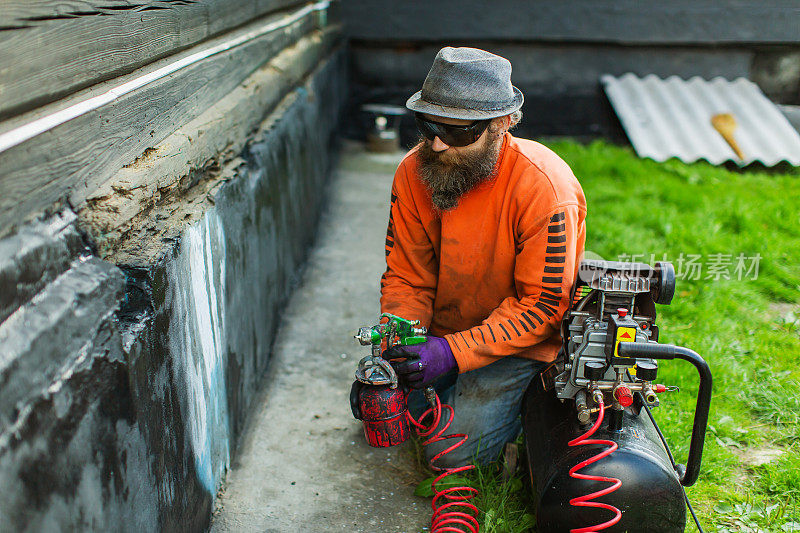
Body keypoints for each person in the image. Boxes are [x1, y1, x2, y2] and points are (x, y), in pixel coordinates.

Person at [380, 47, 587, 467]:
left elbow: (543, 306)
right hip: (439, 338)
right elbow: (406, 276)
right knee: (389, 416)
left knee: (446, 455)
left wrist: (454, 354)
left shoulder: (544, 188)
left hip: (517, 346)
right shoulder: (412, 171)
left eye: (458, 132)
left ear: (502, 124)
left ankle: (529, 405)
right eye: (427, 124)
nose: (436, 144)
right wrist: (394, 348)